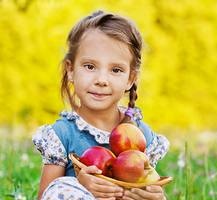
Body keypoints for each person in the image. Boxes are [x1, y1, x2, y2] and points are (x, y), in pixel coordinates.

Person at [32, 10, 169, 200]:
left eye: (116, 70)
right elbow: (47, 195)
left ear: (130, 79)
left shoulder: (139, 135)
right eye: (90, 66)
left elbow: (149, 181)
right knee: (61, 186)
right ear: (70, 70)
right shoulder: (63, 134)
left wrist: (155, 196)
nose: (101, 80)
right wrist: (80, 184)